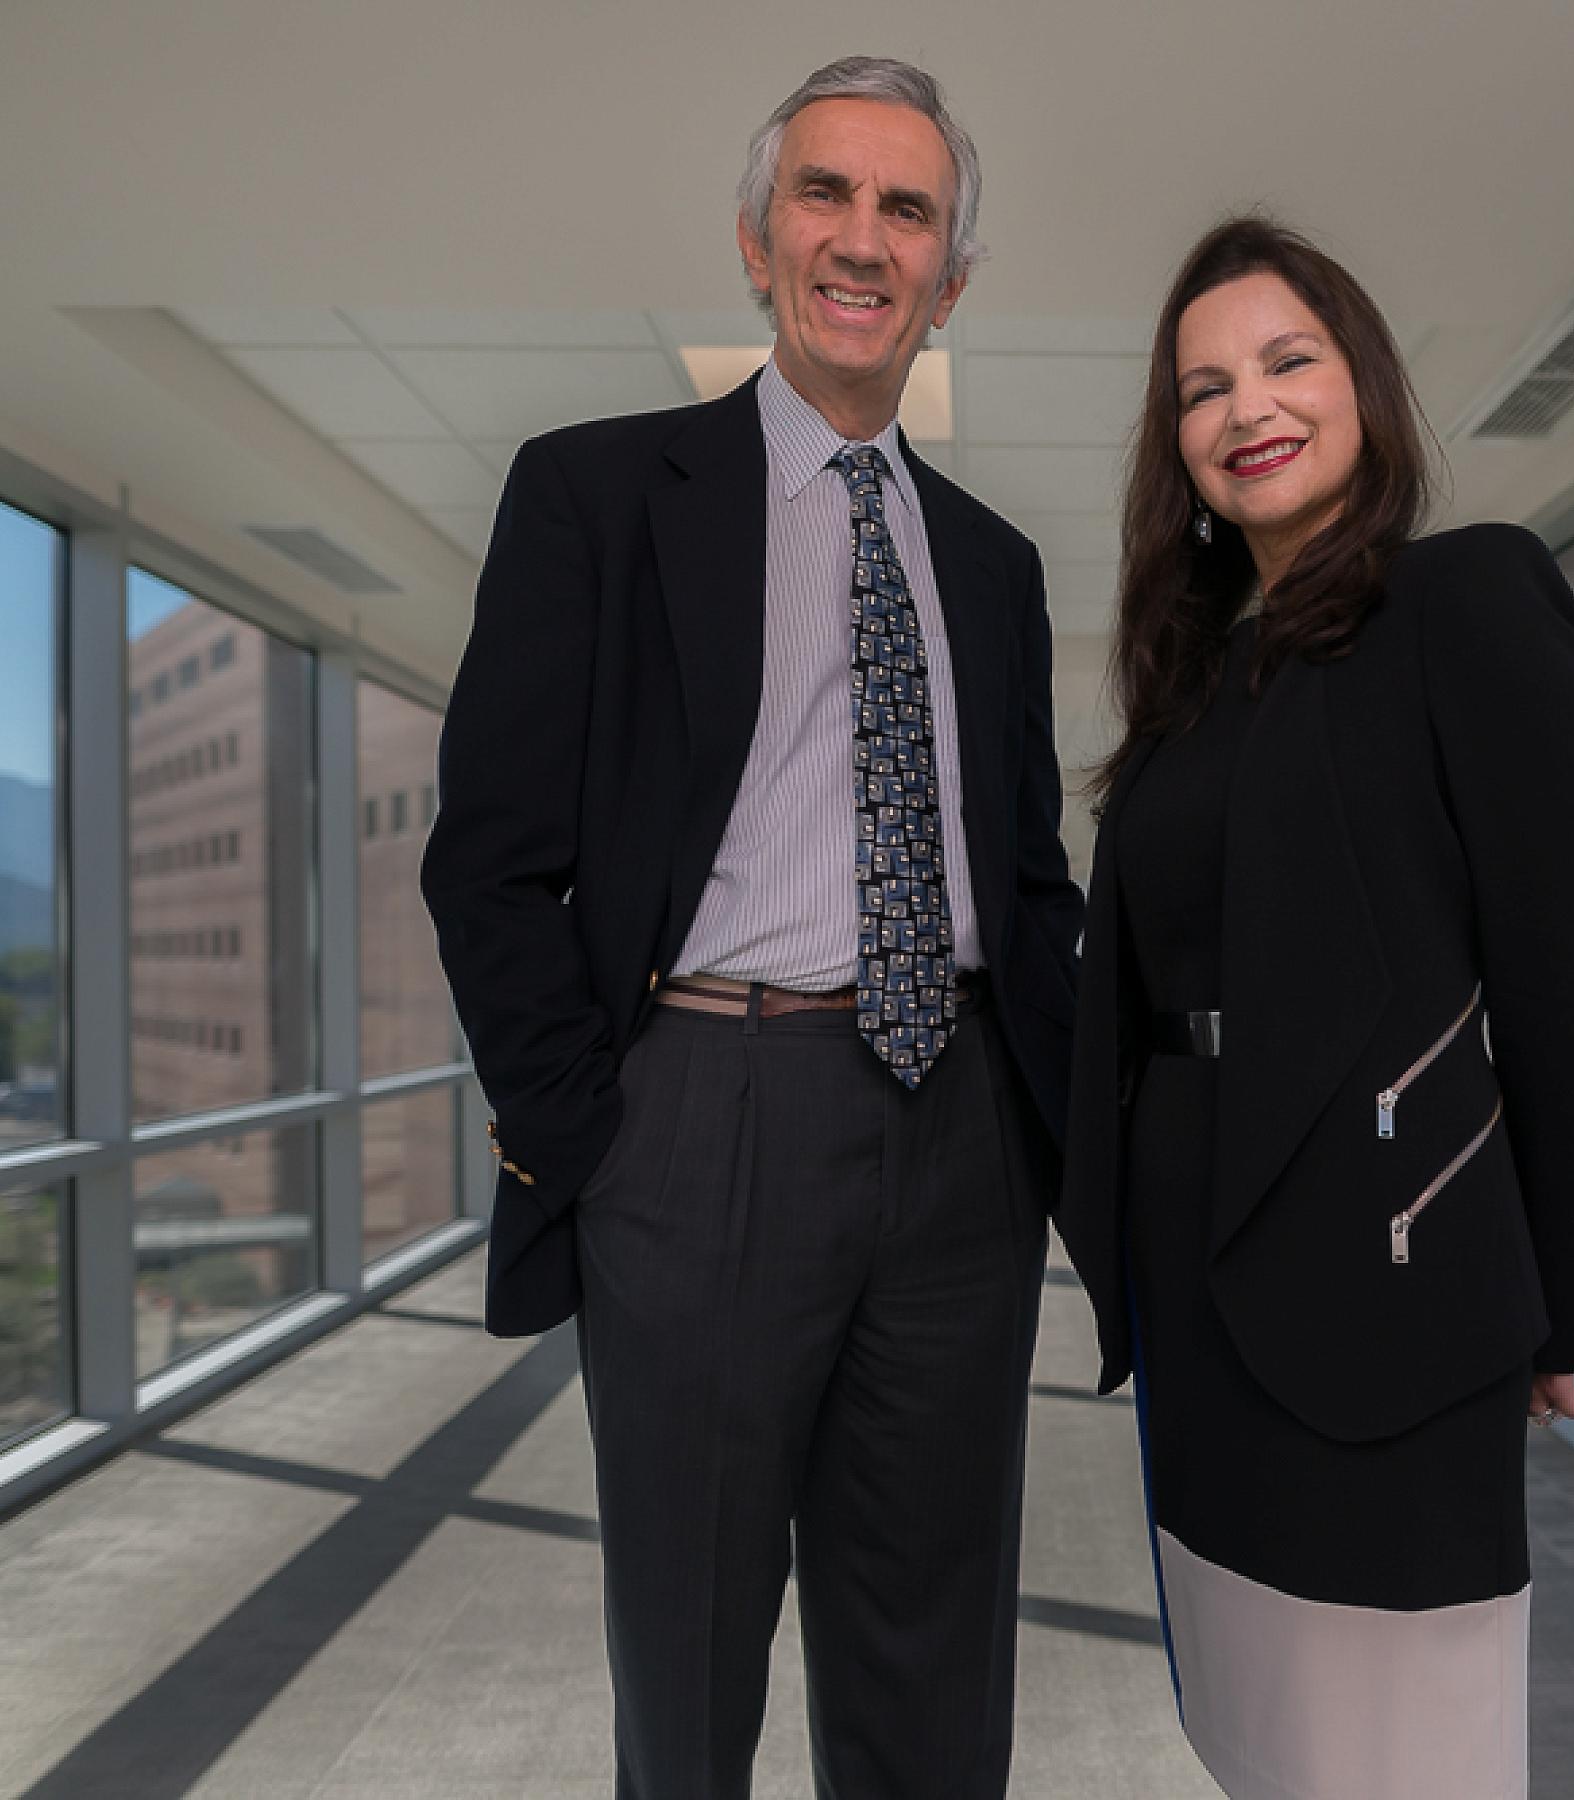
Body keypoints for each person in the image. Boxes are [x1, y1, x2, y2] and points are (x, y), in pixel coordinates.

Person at [419, 57, 1081, 1800]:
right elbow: (488, 859)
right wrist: (592, 1135)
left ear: (952, 279)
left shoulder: (998, 567)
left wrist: (1055, 1136)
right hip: (700, 1122)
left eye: (908, 211)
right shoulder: (598, 496)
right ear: (754, 236)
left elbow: (1030, 885)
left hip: (959, 1153)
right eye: (827, 195)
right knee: (692, 1677)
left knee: (936, 1680)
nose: (863, 240)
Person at [1053, 216, 1574, 1800]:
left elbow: (1572, 988)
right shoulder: (1192, 685)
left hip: (1386, 1286)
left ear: (1365, 383)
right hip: (1202, 1289)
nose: (1247, 405)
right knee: (1260, 1743)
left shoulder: (1469, 599)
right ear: (1174, 445)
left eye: (1287, 361)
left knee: (1400, 1752)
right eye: (1203, 386)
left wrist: (1557, 1298)